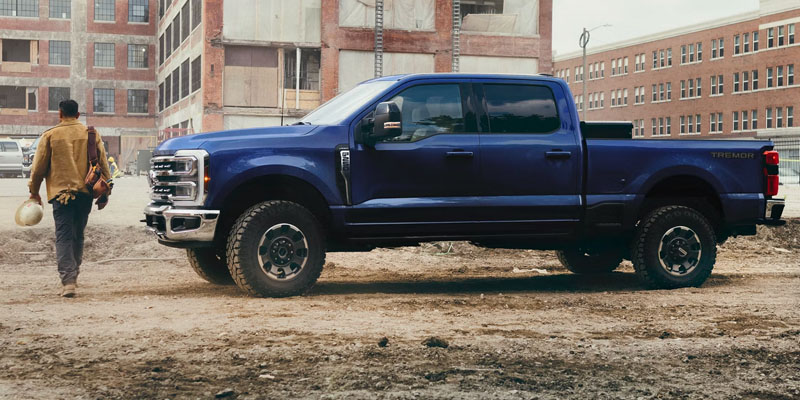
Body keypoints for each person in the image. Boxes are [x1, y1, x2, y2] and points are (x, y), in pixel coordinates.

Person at [28, 99, 111, 298]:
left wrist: (34, 191)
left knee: (63, 236)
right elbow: (103, 164)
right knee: (78, 235)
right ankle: (74, 275)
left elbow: (38, 169)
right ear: (78, 114)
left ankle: (68, 281)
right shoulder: (91, 134)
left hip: (61, 196)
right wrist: (106, 190)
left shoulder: (50, 135)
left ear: (59, 114)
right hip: (85, 194)